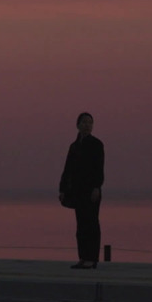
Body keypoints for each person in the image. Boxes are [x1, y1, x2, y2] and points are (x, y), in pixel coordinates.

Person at [59, 112, 104, 269]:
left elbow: (99, 168)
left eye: (90, 122)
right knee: (81, 225)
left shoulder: (97, 144)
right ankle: (83, 257)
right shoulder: (74, 146)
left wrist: (97, 187)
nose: (87, 125)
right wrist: (62, 189)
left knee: (92, 224)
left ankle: (92, 258)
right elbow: (67, 169)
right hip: (77, 191)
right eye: (84, 122)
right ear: (78, 125)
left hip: (92, 191)